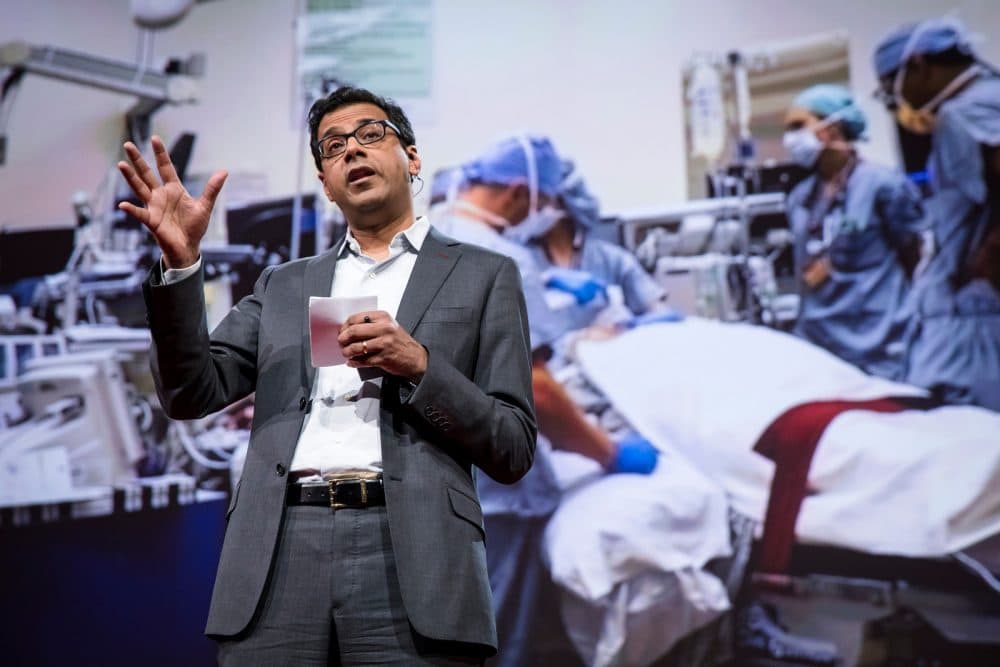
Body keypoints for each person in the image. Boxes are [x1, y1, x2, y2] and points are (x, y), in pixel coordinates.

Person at [118, 86, 537, 665]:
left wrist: (419, 367)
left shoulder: (484, 274)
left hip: (413, 553)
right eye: (333, 146)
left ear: (411, 158)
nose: (352, 152)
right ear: (324, 182)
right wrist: (182, 265)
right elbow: (192, 392)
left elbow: (512, 444)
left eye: (370, 135)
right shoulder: (285, 284)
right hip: (279, 552)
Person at [432, 135, 659, 666]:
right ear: (518, 194)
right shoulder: (503, 255)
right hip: (492, 496)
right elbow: (535, 389)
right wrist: (609, 453)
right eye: (543, 204)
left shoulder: (421, 235)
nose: (545, 216)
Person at [876, 16, 1000, 409]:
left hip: (973, 326)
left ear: (919, 66)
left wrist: (990, 254)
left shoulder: (965, 114)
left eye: (891, 91)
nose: (899, 107)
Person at [782, 83, 928, 379]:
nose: (790, 138)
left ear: (832, 129)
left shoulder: (882, 185)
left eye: (799, 126)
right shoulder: (800, 198)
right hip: (820, 346)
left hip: (880, 347)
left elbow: (917, 261)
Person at [522, 158, 669, 322]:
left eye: (540, 201)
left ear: (565, 204)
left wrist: (632, 326)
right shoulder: (520, 261)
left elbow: (657, 310)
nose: (530, 210)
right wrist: (544, 281)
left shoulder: (612, 260)